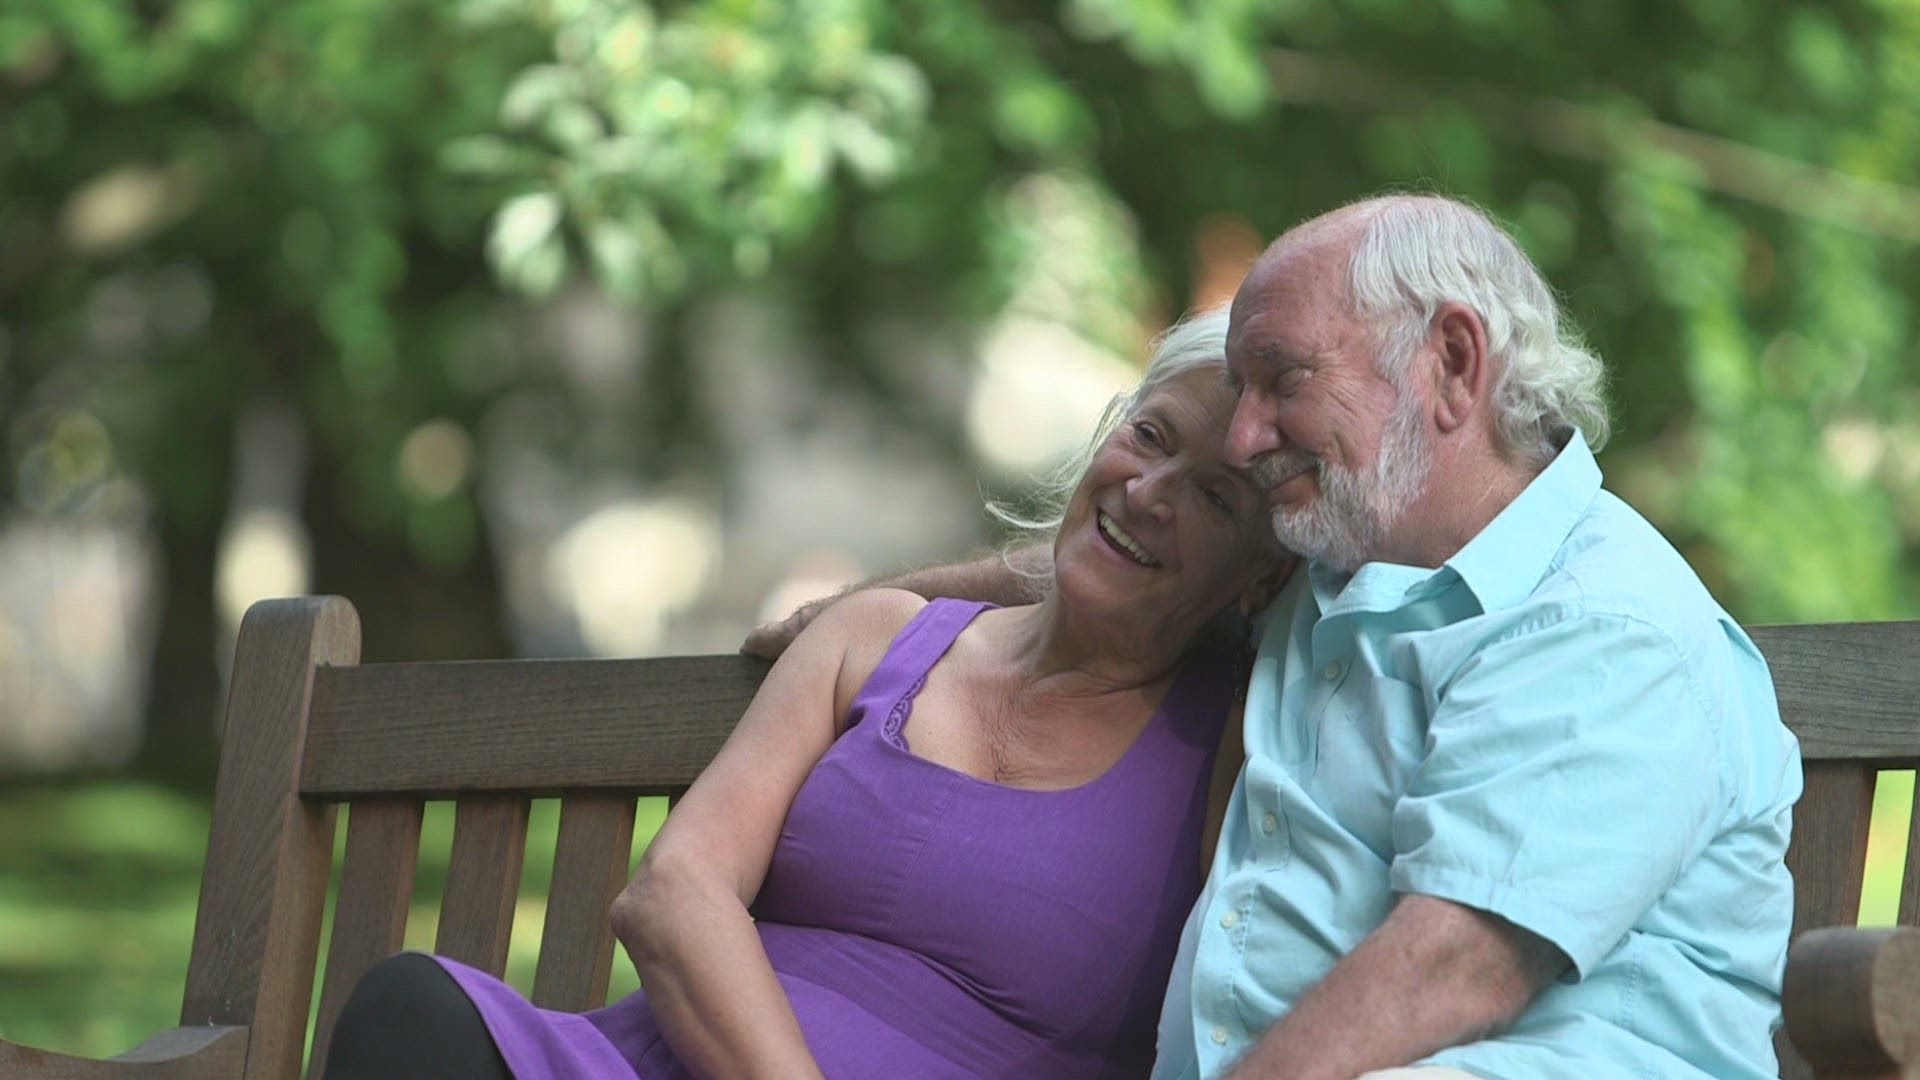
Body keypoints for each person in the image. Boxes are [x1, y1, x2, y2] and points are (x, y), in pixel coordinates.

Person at [756, 193, 1802, 1080]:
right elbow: (1106, 560)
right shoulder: (1342, 562)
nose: (1248, 434)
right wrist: (848, 617)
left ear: (1451, 361)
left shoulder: (1601, 624)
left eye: (1283, 379)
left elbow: (1457, 968)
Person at [321, 306, 1291, 1080]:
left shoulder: (1243, 740)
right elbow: (673, 893)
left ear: (1260, 578)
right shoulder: (878, 638)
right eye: (1148, 436)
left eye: (1214, 498)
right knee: (415, 1013)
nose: (1149, 492)